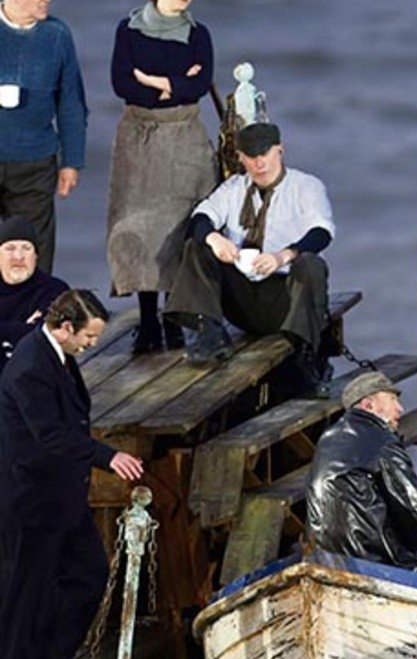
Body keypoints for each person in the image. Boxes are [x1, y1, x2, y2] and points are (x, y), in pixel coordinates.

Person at [0, 289, 145, 659]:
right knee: (24, 596)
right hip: (31, 499)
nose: (92, 345)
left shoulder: (56, 355)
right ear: (65, 328)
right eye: (89, 337)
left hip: (63, 493)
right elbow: (52, 435)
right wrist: (108, 456)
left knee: (89, 575)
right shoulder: (28, 368)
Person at [163, 121, 333, 395]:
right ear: (241, 158)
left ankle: (301, 359)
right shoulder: (233, 188)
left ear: (280, 150)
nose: (259, 164)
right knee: (197, 246)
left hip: (285, 300)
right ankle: (209, 332)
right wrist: (214, 239)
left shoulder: (307, 187)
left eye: (264, 154)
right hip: (242, 297)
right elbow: (201, 217)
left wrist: (282, 256)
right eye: (251, 157)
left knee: (311, 264)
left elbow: (322, 232)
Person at [107, 0, 218, 354]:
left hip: (184, 135)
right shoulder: (129, 30)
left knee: (181, 225)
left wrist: (153, 80)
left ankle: (173, 318)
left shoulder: (198, 33)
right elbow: (121, 82)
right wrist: (173, 84)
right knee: (136, 226)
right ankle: (148, 319)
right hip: (138, 137)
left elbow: (198, 84)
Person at [305, 371, 417, 587]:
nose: (400, 409)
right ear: (368, 405)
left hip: (328, 559)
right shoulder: (380, 439)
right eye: (392, 399)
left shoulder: (327, 440)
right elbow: (414, 508)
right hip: (373, 562)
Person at [0, 0, 88, 274]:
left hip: (35, 163)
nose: (45, 0)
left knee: (32, 250)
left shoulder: (57, 35)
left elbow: (71, 102)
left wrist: (71, 161)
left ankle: (33, 314)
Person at [0, 216, 69, 373]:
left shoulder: (55, 291)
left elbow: (47, 338)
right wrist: (26, 329)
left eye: (26, 248)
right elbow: (34, 335)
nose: (18, 256)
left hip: (36, 379)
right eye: (10, 248)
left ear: (36, 256)